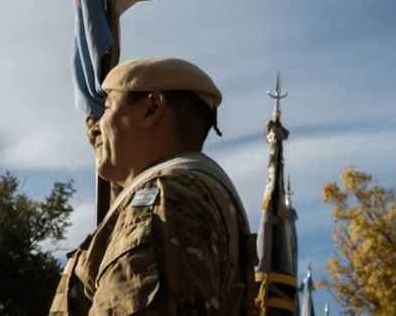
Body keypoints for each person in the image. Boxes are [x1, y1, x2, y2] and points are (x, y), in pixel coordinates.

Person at [49, 57, 257, 315]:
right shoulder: (186, 191)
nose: (95, 128)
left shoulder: (161, 198)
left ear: (152, 108)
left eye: (108, 107)